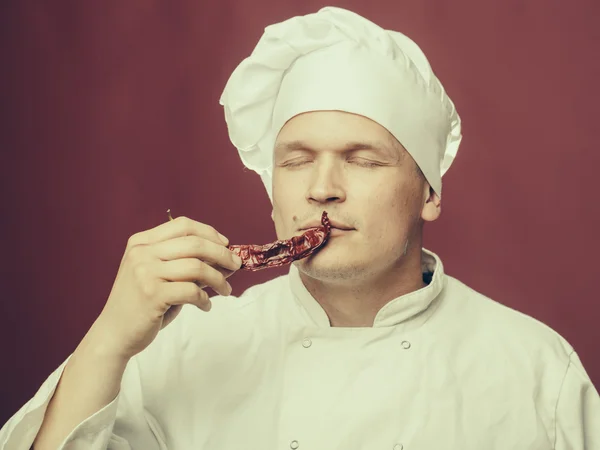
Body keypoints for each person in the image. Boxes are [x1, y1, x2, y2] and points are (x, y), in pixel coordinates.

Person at [1, 6, 599, 450]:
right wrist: (109, 338)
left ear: (430, 193)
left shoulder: (533, 367)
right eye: (295, 160)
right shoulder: (183, 346)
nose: (321, 187)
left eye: (362, 159)